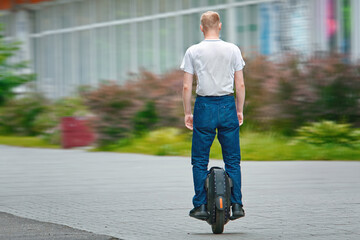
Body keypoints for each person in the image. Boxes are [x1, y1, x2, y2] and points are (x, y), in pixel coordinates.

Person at [180, 11, 246, 220]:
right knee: (233, 160)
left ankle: (200, 205)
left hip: (204, 106)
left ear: (201, 27)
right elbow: (241, 84)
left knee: (199, 160)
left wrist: (187, 112)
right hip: (227, 105)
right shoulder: (232, 49)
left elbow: (185, 86)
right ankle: (236, 205)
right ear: (220, 26)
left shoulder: (193, 51)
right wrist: (239, 109)